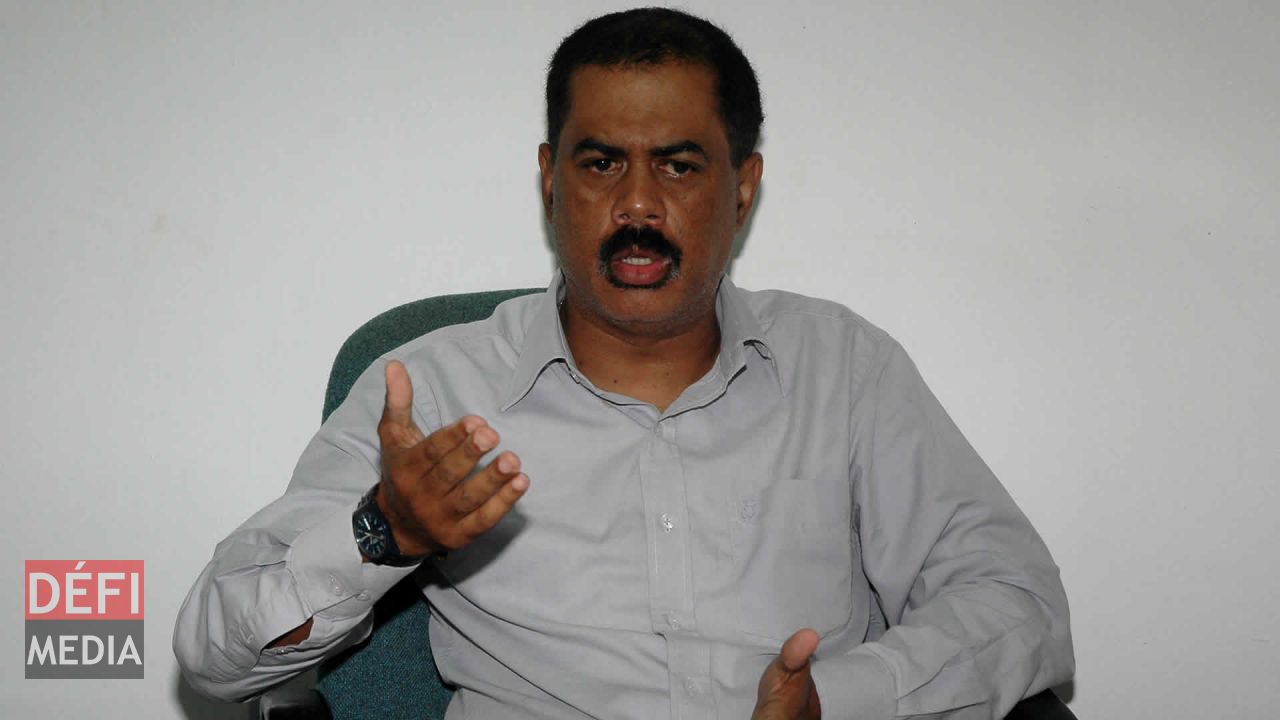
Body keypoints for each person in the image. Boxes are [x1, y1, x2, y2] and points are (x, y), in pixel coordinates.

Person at [175, 8, 1073, 719]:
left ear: (743, 186)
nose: (637, 204)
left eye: (678, 167)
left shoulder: (844, 369)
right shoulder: (435, 389)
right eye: (602, 163)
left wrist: (839, 702)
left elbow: (1017, 603)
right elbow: (215, 653)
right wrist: (385, 532)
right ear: (550, 179)